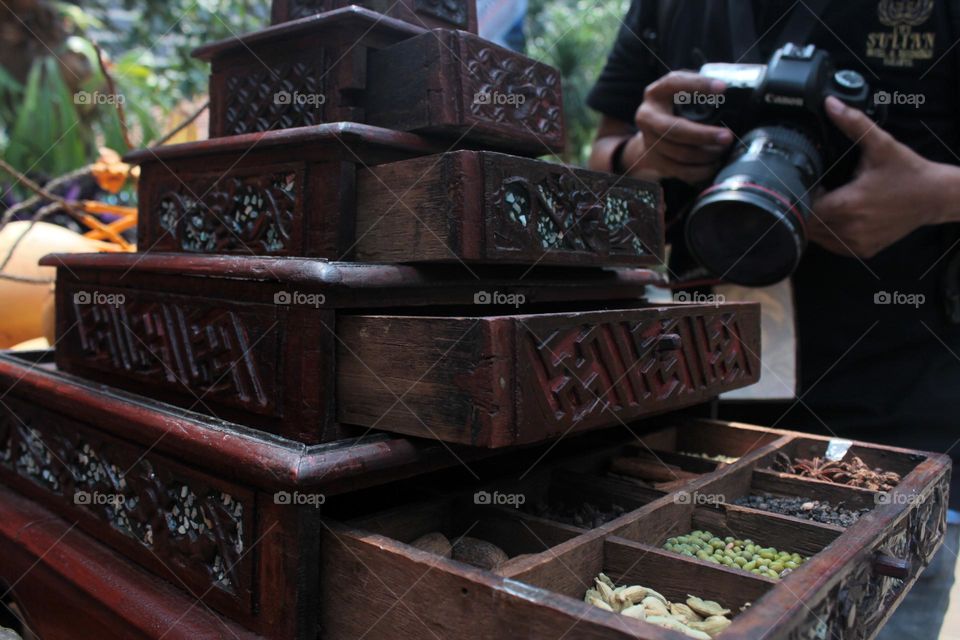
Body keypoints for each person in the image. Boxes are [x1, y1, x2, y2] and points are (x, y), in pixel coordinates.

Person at [587, 1, 960, 637]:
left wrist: (934, 195)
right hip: (700, 416)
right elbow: (604, 149)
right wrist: (641, 152)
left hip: (897, 424)